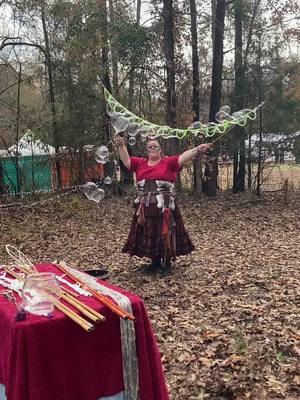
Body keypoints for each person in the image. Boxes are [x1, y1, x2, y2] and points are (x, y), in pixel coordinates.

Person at [115, 135, 211, 272]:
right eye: (150, 147)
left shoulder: (168, 162)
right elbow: (126, 161)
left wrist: (197, 149)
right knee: (149, 232)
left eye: (155, 146)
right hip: (146, 208)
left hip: (165, 207)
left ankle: (166, 260)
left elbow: (183, 157)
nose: (152, 148)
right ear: (147, 151)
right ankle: (154, 262)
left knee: (166, 232)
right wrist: (121, 145)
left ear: (160, 149)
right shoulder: (140, 163)